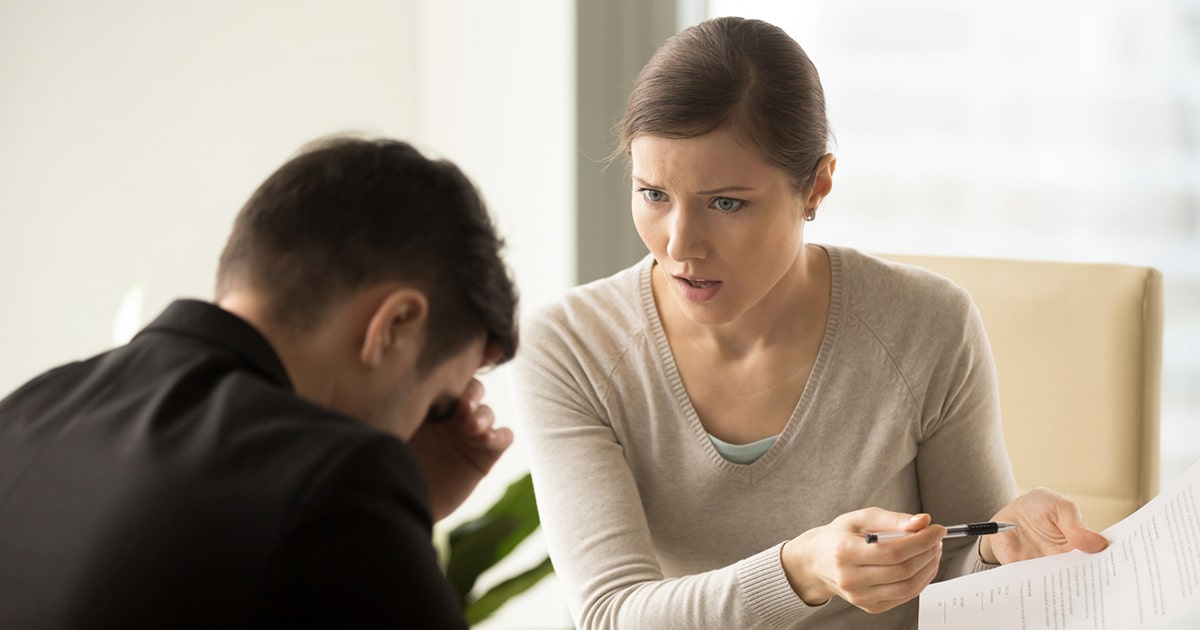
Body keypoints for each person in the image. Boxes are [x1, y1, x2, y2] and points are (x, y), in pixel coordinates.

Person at [511, 16, 1108, 629]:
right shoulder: (571, 347)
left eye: (726, 203)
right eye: (654, 194)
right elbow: (611, 615)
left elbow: (961, 577)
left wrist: (996, 550)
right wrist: (800, 570)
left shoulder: (928, 326)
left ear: (816, 187)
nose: (681, 246)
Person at [0, 136, 518, 629]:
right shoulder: (341, 477)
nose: (423, 429)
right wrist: (396, 506)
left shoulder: (28, 409)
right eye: (438, 405)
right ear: (395, 325)